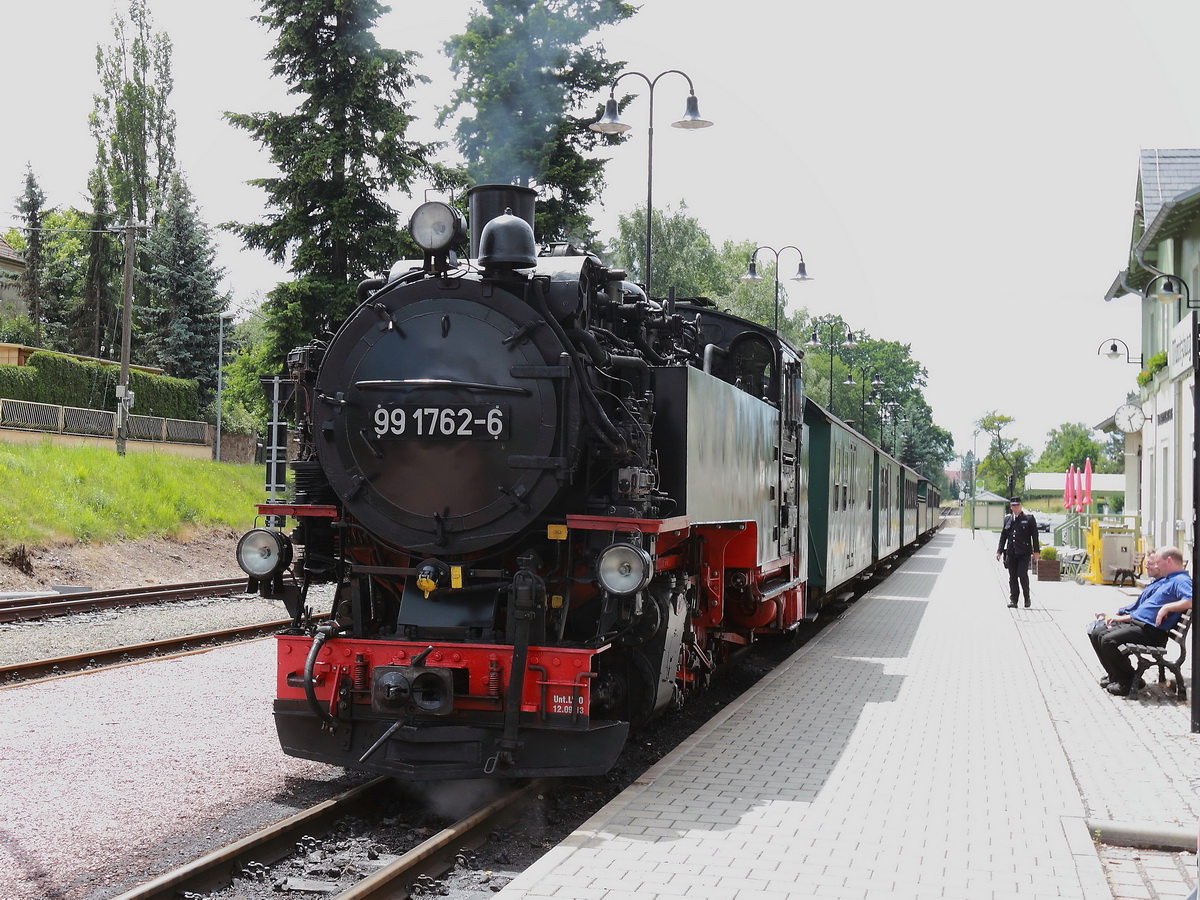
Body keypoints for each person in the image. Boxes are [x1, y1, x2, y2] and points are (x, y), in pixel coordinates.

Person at [1087, 546, 1193, 696]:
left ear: (1168, 561)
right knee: (1098, 632)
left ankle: (1128, 681)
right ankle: (1117, 676)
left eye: (1158, 562)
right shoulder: (1170, 579)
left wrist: (1167, 608)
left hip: (1152, 632)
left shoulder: (1181, 580)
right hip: (1140, 626)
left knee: (1107, 640)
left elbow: (1192, 599)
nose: (1156, 566)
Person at [995, 497, 1041, 608]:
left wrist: (1036, 551)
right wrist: (999, 551)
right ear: (1011, 507)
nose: (1015, 507)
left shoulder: (1029, 519)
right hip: (1011, 552)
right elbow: (1003, 536)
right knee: (1012, 576)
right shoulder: (1008, 519)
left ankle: (1027, 597)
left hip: (1024, 553)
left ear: (1021, 506)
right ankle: (1013, 600)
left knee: (1022, 574)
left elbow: (1034, 536)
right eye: (1013, 506)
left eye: (1017, 505)